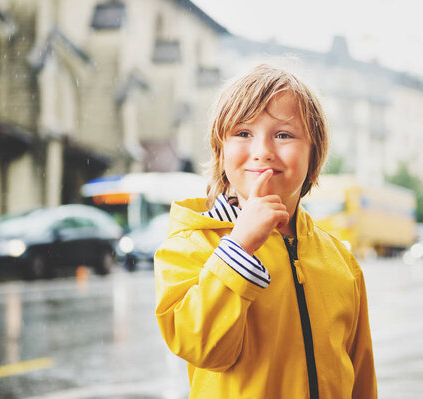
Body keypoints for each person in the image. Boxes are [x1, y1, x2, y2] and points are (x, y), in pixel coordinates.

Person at [154, 64, 377, 398]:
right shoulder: (192, 244)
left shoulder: (340, 261)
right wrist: (239, 248)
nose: (262, 151)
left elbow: (360, 376)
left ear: (313, 152)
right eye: (243, 134)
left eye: (283, 135)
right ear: (221, 150)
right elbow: (200, 345)